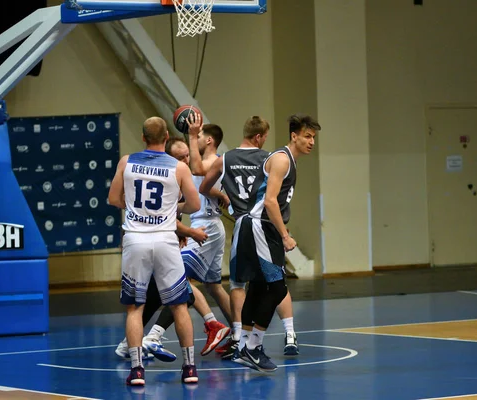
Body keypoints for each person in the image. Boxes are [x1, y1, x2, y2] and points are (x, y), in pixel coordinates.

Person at [108, 116, 201, 386]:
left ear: (142, 137)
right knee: (179, 305)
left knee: (135, 308)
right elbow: (194, 205)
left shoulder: (127, 161)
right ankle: (190, 368)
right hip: (165, 239)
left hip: (135, 238)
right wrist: (173, 207)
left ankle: (137, 370)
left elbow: (114, 199)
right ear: (167, 138)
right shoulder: (177, 167)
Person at [198, 116, 299, 361]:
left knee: (239, 284)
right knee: (275, 281)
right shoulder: (270, 159)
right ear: (260, 137)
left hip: (242, 225)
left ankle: (239, 338)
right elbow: (274, 195)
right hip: (265, 224)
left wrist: (224, 197)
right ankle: (289, 334)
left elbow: (202, 186)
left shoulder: (226, 159)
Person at [232, 114, 321, 372]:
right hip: (261, 226)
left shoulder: (287, 160)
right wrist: (284, 235)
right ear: (294, 136)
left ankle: (243, 347)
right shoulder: (282, 159)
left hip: (258, 225)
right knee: (278, 289)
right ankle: (253, 347)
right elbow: (270, 201)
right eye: (307, 136)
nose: (311, 142)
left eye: (314, 137)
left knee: (259, 287)